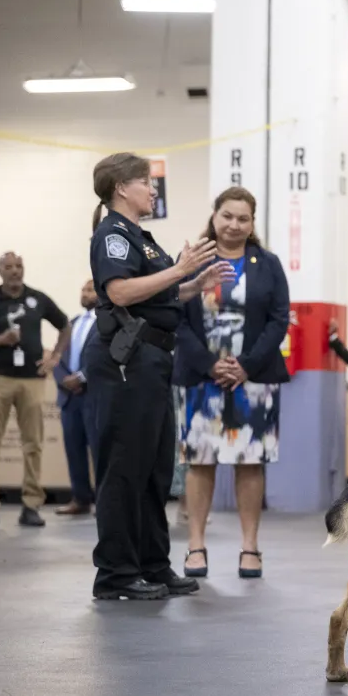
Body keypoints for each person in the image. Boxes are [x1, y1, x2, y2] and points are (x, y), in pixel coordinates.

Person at [86, 152, 229, 600]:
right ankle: (116, 573)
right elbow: (119, 291)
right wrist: (179, 270)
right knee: (125, 467)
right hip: (124, 362)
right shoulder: (112, 234)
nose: (153, 189)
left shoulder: (141, 239)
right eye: (146, 182)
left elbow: (159, 294)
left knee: (155, 468)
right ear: (120, 188)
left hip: (152, 361)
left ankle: (152, 563)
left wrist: (193, 284)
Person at [175, 187, 290, 580]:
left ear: (252, 223)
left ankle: (250, 547)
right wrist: (210, 365)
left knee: (250, 463)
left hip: (253, 379)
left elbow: (279, 319)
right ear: (215, 215)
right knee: (200, 462)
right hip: (200, 378)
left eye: (243, 218)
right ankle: (195, 546)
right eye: (227, 216)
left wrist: (244, 365)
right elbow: (176, 318)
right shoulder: (191, 262)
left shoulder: (268, 264)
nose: (234, 225)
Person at [0, 252, 72, 527]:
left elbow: (65, 325)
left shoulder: (37, 299)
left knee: (33, 444)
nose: (15, 271)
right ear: (0, 271)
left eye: (19, 266)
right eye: (9, 267)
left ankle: (31, 505)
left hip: (32, 380)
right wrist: (2, 339)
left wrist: (56, 357)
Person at [52, 279, 101, 516]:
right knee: (74, 449)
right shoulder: (71, 323)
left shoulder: (107, 323)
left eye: (90, 289)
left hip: (94, 397)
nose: (85, 293)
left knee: (100, 451)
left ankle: (104, 501)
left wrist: (82, 378)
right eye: (83, 289)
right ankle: (80, 499)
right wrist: (64, 379)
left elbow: (106, 359)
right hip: (69, 398)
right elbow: (57, 356)